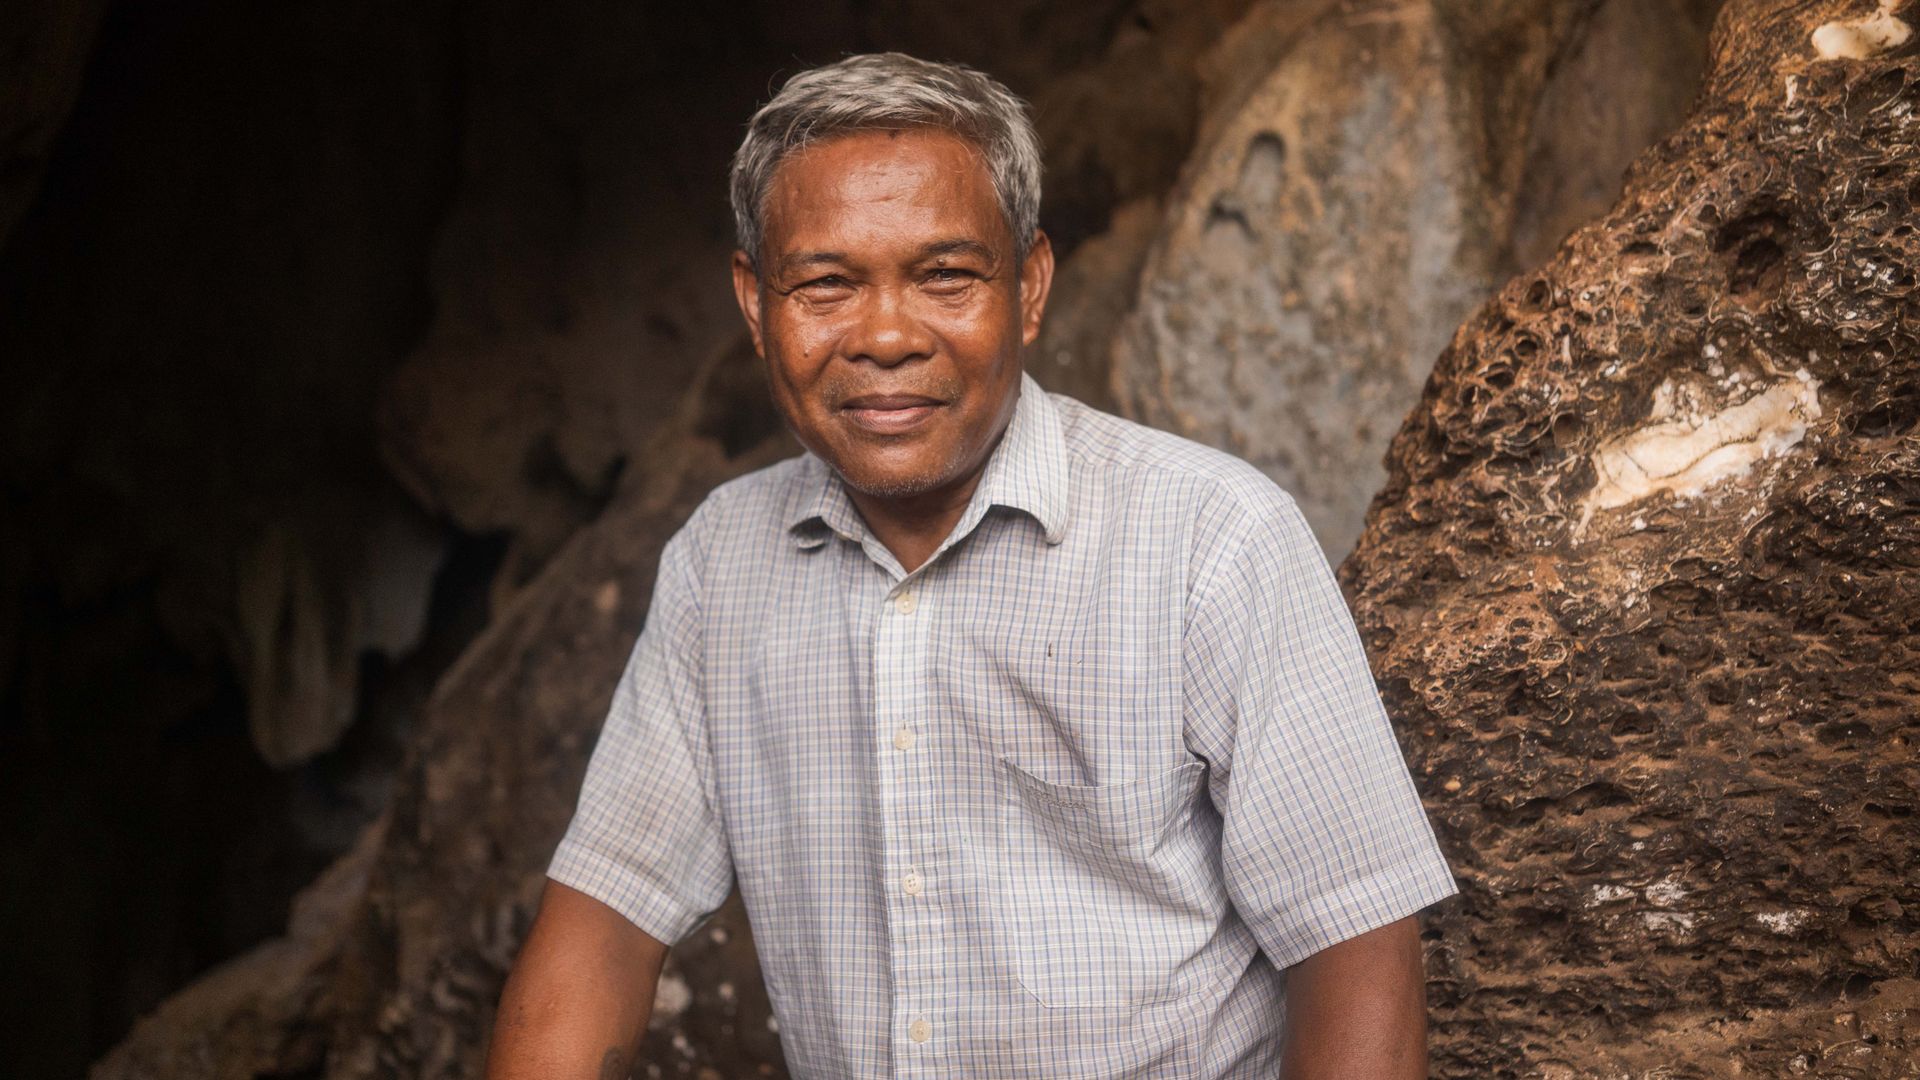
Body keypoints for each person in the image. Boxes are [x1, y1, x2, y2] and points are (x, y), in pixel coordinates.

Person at [485, 52, 1456, 1079]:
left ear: (1030, 286)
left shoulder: (1211, 541)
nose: (888, 336)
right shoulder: (722, 566)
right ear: (754, 303)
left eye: (946, 275)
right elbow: (602, 934)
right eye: (824, 284)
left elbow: (1357, 950)